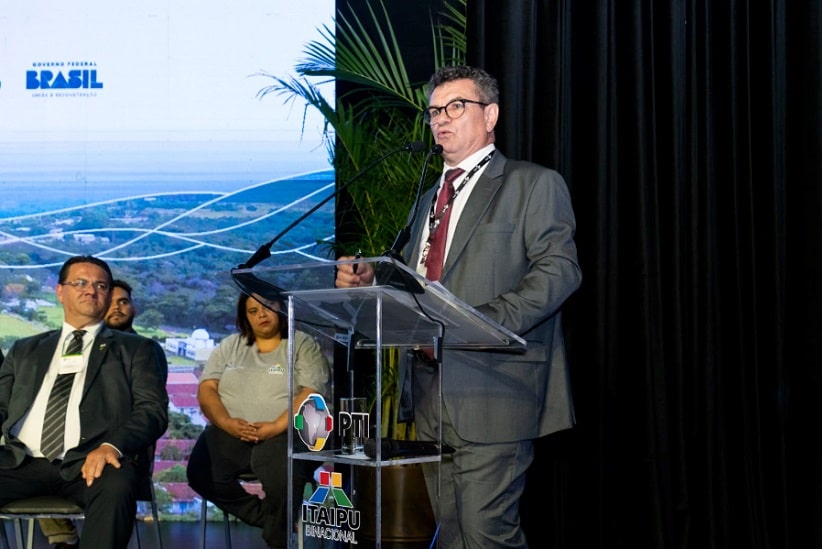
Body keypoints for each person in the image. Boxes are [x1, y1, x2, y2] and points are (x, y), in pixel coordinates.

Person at [335, 65, 582, 548]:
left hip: (495, 388)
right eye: (434, 111)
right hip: (428, 392)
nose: (441, 120)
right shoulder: (428, 199)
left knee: (487, 533)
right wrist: (371, 279)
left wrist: (480, 324)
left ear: (489, 115)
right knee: (449, 534)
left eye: (456, 107)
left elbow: (559, 272)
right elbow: (419, 285)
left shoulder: (531, 185)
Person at [0, 256, 169, 548]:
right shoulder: (24, 349)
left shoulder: (137, 349)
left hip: (93, 461)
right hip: (21, 461)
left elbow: (152, 411)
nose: (90, 290)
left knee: (117, 483)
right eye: (80, 282)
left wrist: (111, 446)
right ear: (60, 292)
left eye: (100, 285)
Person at [186, 293, 331, 549]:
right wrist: (227, 422)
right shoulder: (230, 345)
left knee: (276, 459)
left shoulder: (302, 343)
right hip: (235, 430)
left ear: (281, 308)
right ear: (245, 318)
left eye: (267, 306)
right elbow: (207, 389)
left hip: (292, 428)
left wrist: (275, 426)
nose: (261, 314)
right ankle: (268, 519)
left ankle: (277, 538)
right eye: (253, 311)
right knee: (201, 470)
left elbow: (312, 392)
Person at [37, 278, 145, 547]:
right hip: (65, 444)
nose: (117, 308)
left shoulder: (142, 352)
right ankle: (62, 537)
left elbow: (146, 411)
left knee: (112, 482)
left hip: (116, 448)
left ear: (134, 309)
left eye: (124, 302)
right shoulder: (73, 346)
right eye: (112, 302)